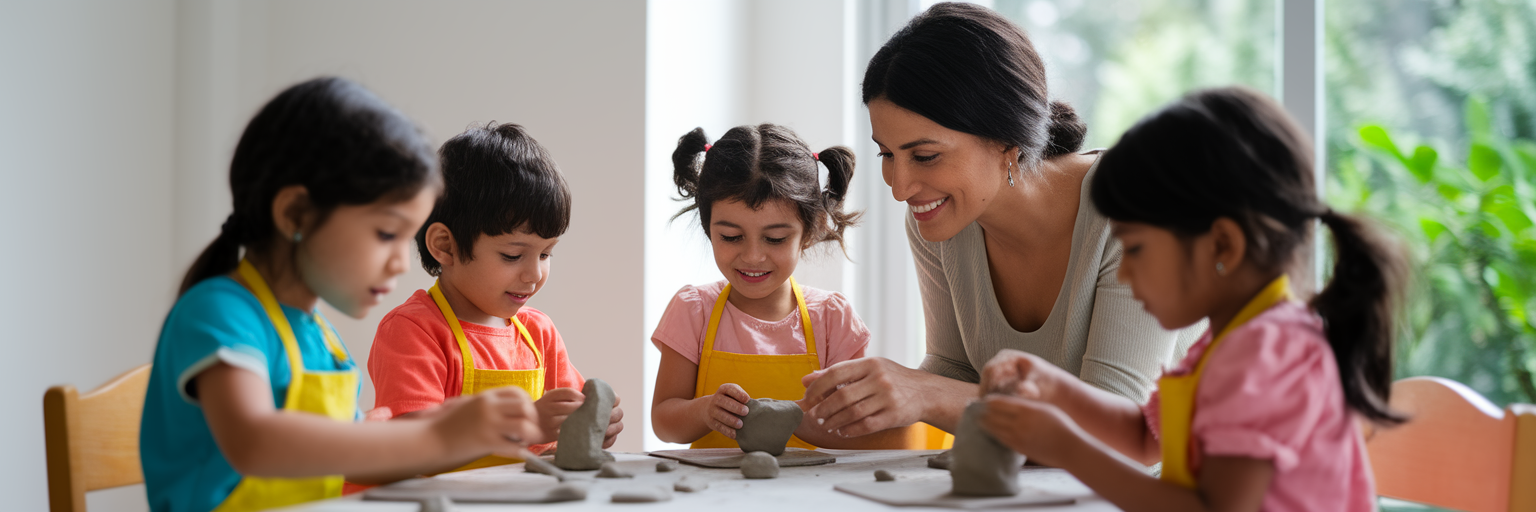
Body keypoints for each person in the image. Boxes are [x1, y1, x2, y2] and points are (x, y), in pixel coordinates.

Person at [979, 87, 1405, 511]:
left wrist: (1066, 449)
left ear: (1222, 246)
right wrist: (1055, 387)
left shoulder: (1263, 357)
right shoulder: (1226, 345)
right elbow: (1146, 440)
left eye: (1136, 248)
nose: (1124, 272)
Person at [801, 2, 1200, 440]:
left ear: (1008, 141)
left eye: (926, 156)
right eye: (887, 154)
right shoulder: (939, 220)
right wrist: (856, 409)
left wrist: (926, 393)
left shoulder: (1137, 205)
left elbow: (1119, 424)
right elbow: (953, 370)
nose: (899, 186)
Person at [140, 78, 542, 512]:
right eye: (386, 233)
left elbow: (350, 466)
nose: (401, 263)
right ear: (295, 214)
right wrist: (433, 436)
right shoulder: (219, 312)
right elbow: (254, 443)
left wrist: (439, 431)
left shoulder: (320, 338)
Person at [367, 122, 622, 471]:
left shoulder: (538, 333)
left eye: (546, 254)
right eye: (513, 256)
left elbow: (561, 432)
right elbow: (413, 448)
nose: (534, 275)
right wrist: (525, 425)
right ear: (445, 246)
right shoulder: (414, 331)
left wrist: (593, 424)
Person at [650, 125, 892, 449]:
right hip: (711, 495)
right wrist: (704, 411)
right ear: (709, 227)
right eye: (731, 237)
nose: (752, 256)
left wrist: (800, 421)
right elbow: (665, 423)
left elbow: (860, 430)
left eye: (775, 239)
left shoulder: (833, 320)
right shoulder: (693, 309)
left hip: (811, 493)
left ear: (811, 230)